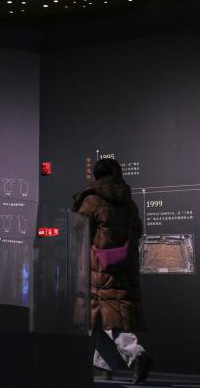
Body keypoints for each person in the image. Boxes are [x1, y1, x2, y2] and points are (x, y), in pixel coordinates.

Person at [73, 157, 154, 384]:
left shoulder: (92, 200)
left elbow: (77, 227)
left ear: (97, 176)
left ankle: (136, 354)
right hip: (123, 266)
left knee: (108, 314)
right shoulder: (129, 203)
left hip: (98, 267)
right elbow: (137, 231)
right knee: (104, 315)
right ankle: (103, 367)